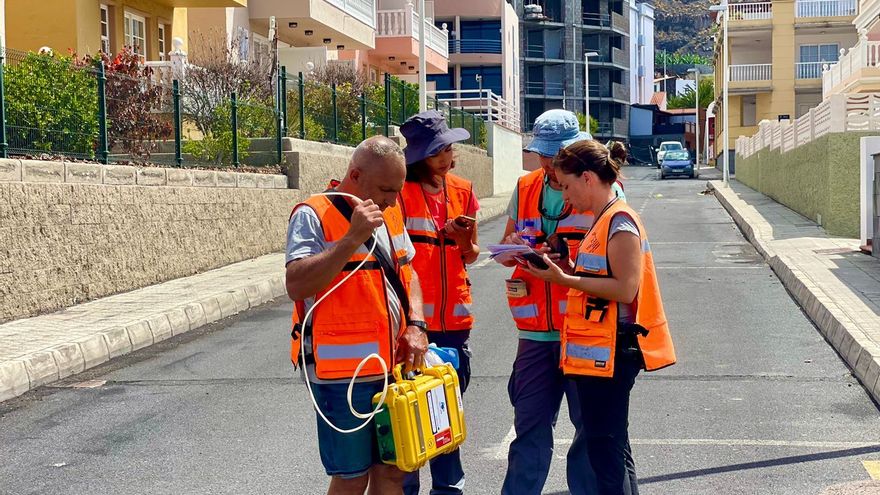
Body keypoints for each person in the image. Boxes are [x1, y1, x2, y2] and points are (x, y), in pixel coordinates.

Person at [521, 140, 677, 495]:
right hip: (598, 357)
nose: (565, 198)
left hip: (613, 355)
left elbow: (625, 288)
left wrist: (563, 279)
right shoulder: (603, 220)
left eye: (567, 186)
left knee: (607, 458)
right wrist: (567, 265)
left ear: (588, 178)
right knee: (612, 451)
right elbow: (599, 278)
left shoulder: (619, 222)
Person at [285, 135, 430, 495]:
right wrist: (351, 239)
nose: (392, 199)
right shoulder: (312, 213)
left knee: (395, 472)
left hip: (394, 368)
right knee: (351, 478)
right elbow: (297, 284)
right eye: (385, 189)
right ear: (355, 174)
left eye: (397, 190)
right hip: (341, 376)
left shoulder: (391, 211)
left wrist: (417, 324)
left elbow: (409, 276)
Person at [499, 109, 595, 495]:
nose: (551, 167)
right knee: (529, 432)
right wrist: (517, 250)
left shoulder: (600, 188)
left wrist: (569, 263)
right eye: (544, 158)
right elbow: (506, 245)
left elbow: (617, 265)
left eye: (558, 159)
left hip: (585, 332)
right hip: (535, 335)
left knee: (591, 433)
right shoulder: (524, 189)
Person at [397, 110, 480, 495]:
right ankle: (407, 487)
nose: (449, 157)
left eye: (449, 148)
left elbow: (471, 254)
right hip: (412, 327)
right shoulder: (397, 193)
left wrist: (462, 240)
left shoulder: (462, 189)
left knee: (444, 414)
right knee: (411, 417)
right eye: (438, 151)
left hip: (454, 326)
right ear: (418, 158)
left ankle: (450, 489)